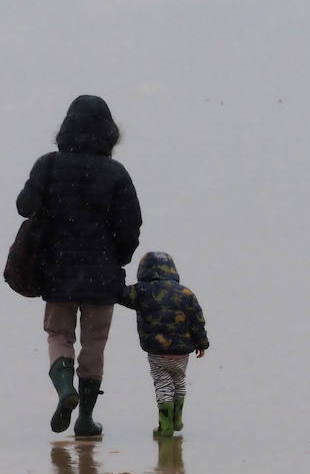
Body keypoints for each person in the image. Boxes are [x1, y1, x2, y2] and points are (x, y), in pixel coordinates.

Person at [16, 95, 142, 437]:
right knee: (95, 342)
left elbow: (24, 206)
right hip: (103, 273)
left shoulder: (49, 165)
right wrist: (119, 257)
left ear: (66, 127)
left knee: (59, 334)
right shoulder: (116, 173)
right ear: (109, 133)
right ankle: (86, 419)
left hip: (58, 270)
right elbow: (131, 227)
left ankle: (64, 390)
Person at [118, 251, 209, 438]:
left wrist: (115, 273)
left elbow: (120, 294)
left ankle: (165, 426)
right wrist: (202, 343)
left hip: (157, 351)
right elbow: (198, 321)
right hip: (182, 352)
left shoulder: (141, 291)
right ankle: (177, 419)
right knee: (179, 380)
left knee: (163, 384)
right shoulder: (186, 293)